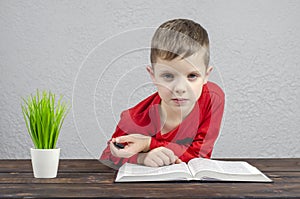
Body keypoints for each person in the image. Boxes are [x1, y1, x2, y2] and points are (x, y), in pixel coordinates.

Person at [100, 18, 225, 169]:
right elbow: (109, 156)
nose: (180, 88)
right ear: (153, 75)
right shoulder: (134, 119)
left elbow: (200, 155)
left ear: (206, 75)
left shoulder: (213, 98)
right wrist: (142, 157)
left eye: (192, 76)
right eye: (168, 76)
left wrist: (148, 143)